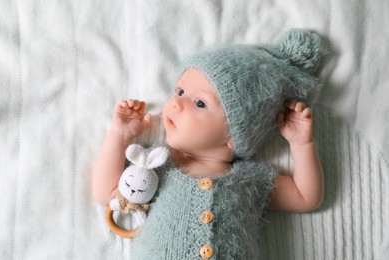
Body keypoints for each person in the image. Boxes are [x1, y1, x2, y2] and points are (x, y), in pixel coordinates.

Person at [92, 29, 325, 259]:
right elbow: (108, 193)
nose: (176, 103)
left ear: (236, 135)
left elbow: (306, 196)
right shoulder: (158, 165)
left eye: (200, 103)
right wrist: (119, 135)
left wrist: (301, 144)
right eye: (179, 90)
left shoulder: (251, 181)